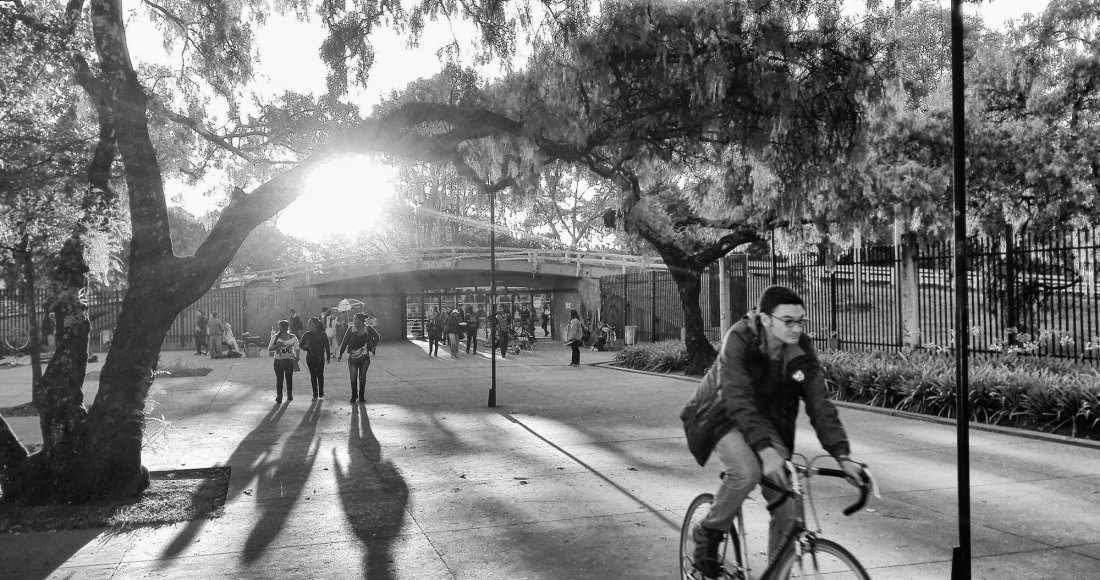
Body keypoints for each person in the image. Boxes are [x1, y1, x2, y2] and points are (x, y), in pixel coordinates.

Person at [680, 285, 865, 578]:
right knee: (747, 470)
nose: (796, 328)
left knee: (789, 504)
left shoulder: (799, 351)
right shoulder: (740, 338)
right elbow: (737, 397)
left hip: (763, 423)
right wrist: (765, 451)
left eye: (801, 320)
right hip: (718, 414)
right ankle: (709, 529)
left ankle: (779, 572)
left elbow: (819, 403)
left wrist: (843, 456)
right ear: (765, 319)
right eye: (787, 321)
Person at [338, 312, 379, 403]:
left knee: (362, 377)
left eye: (355, 319)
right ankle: (354, 395)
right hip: (352, 357)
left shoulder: (368, 329)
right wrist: (341, 353)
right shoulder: (350, 329)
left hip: (364, 357)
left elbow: (377, 336)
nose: (353, 320)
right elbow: (344, 341)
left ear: (360, 321)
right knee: (353, 378)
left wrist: (373, 346)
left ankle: (361, 396)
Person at [267, 320, 300, 404]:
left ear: (287, 327)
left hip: (289, 360)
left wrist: (297, 357)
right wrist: (277, 346)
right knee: (279, 379)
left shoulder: (292, 337)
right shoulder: (275, 337)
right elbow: (270, 348)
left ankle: (289, 394)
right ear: (279, 327)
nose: (282, 328)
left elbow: (297, 348)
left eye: (284, 327)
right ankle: (279, 396)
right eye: (281, 327)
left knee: (289, 378)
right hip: (278, 361)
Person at [300, 317, 331, 400]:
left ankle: (321, 390)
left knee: (320, 375)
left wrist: (328, 356)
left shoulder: (322, 334)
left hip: (320, 357)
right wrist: (307, 348)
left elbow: (327, 345)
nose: (308, 325)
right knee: (313, 375)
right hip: (310, 357)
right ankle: (315, 392)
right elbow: (300, 344)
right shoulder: (307, 334)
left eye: (309, 323)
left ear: (315, 325)